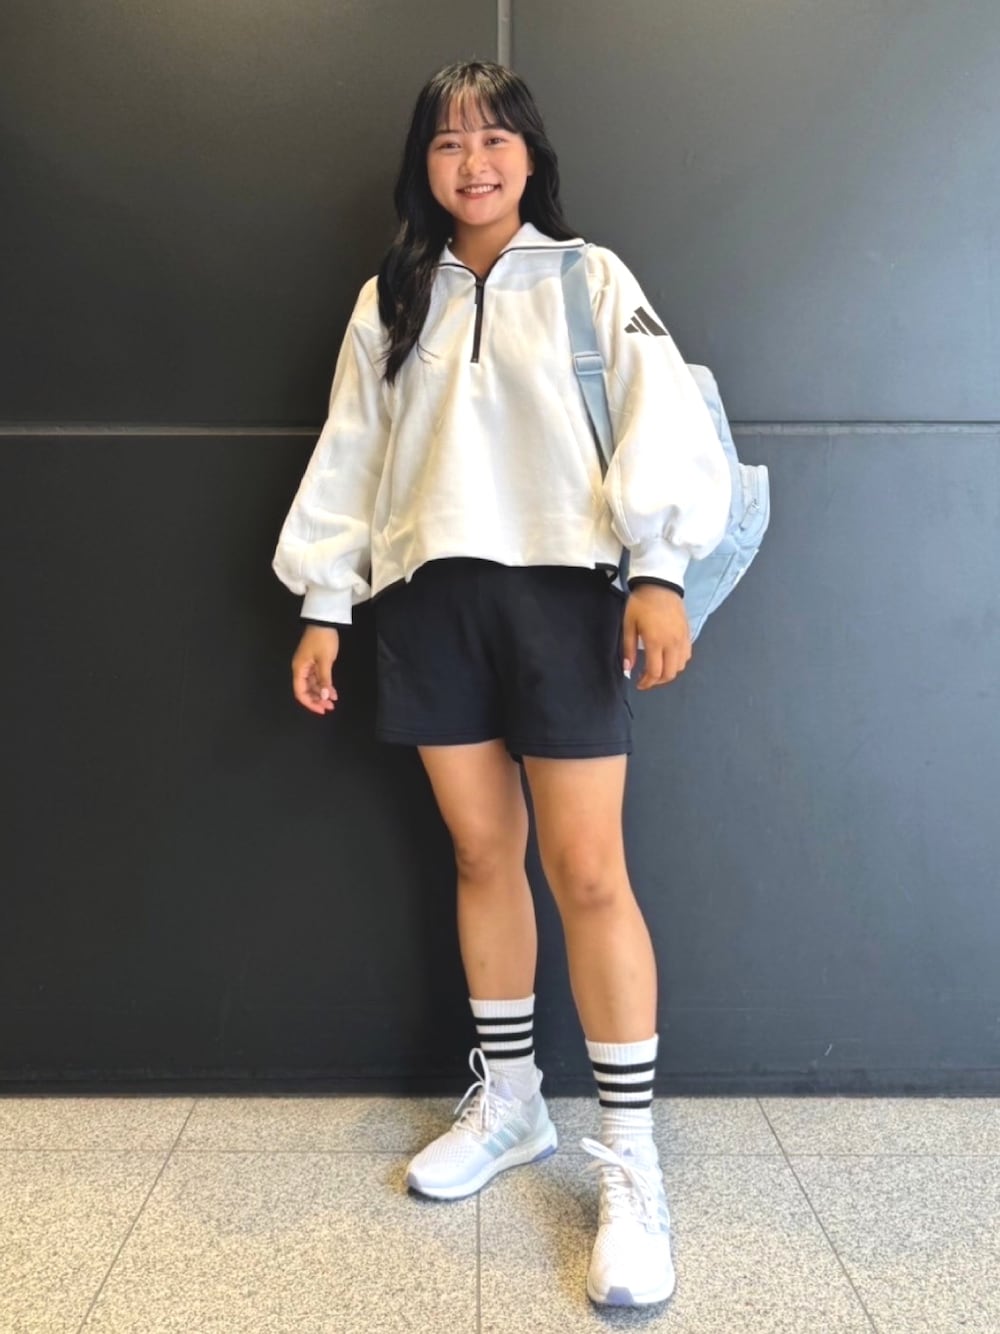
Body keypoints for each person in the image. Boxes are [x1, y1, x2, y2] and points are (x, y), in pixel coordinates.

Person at [272, 59, 731, 1308]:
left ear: (530, 154)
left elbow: (661, 421)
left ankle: (630, 1163)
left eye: (492, 138)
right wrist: (324, 604)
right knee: (483, 856)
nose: (471, 162)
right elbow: (352, 454)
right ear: (420, 164)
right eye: (446, 142)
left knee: (588, 870)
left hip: (565, 599)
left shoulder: (590, 278)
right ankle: (516, 1103)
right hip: (430, 601)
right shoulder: (391, 296)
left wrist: (659, 571)